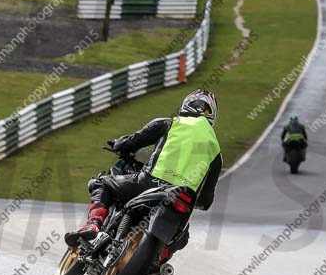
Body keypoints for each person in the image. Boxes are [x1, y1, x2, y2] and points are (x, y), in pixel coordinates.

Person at [64, 89, 223, 261]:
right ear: (212, 115)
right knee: (181, 236)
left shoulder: (169, 123)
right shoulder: (216, 150)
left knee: (101, 183)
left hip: (148, 182)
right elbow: (206, 200)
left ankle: (93, 225)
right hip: (183, 198)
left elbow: (134, 141)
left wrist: (119, 144)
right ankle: (157, 263)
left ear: (187, 105)